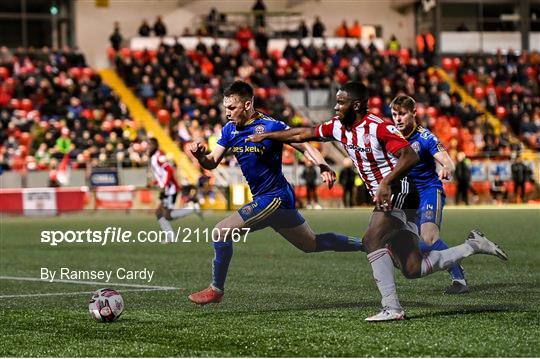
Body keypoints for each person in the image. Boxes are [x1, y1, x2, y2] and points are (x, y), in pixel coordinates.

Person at [249, 81, 508, 321]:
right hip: (391, 192)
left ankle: (392, 308)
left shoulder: (379, 127)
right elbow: (302, 134)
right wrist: (269, 136)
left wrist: (385, 183)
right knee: (412, 268)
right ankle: (473, 246)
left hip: (400, 189)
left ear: (357, 105)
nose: (336, 107)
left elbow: (409, 157)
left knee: (372, 239)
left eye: (341, 102)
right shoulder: (337, 127)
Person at [187, 81, 363, 305]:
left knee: (221, 231)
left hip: (275, 197)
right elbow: (211, 162)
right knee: (311, 244)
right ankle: (365, 244)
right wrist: (200, 156)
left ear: (248, 104)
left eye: (231, 108)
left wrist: (322, 165)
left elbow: (302, 143)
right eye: (225, 108)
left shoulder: (270, 126)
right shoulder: (230, 129)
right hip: (268, 199)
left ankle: (216, 290)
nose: (227, 112)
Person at [390, 95, 468, 294]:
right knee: (397, 242)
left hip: (428, 191)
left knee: (429, 238)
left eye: (402, 114)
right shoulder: (390, 135)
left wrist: (446, 168)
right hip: (406, 197)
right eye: (394, 114)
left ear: (413, 113)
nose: (398, 119)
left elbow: (447, 160)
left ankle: (459, 279)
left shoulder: (425, 137)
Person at [148, 138, 200, 244]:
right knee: (159, 213)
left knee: (166, 215)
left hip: (170, 189)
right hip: (167, 188)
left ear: (154, 145)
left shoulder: (159, 155)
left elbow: (169, 170)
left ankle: (191, 209)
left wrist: (165, 186)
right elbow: (161, 174)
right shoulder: (154, 156)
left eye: (150, 145)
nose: (148, 147)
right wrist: (154, 183)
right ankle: (171, 237)